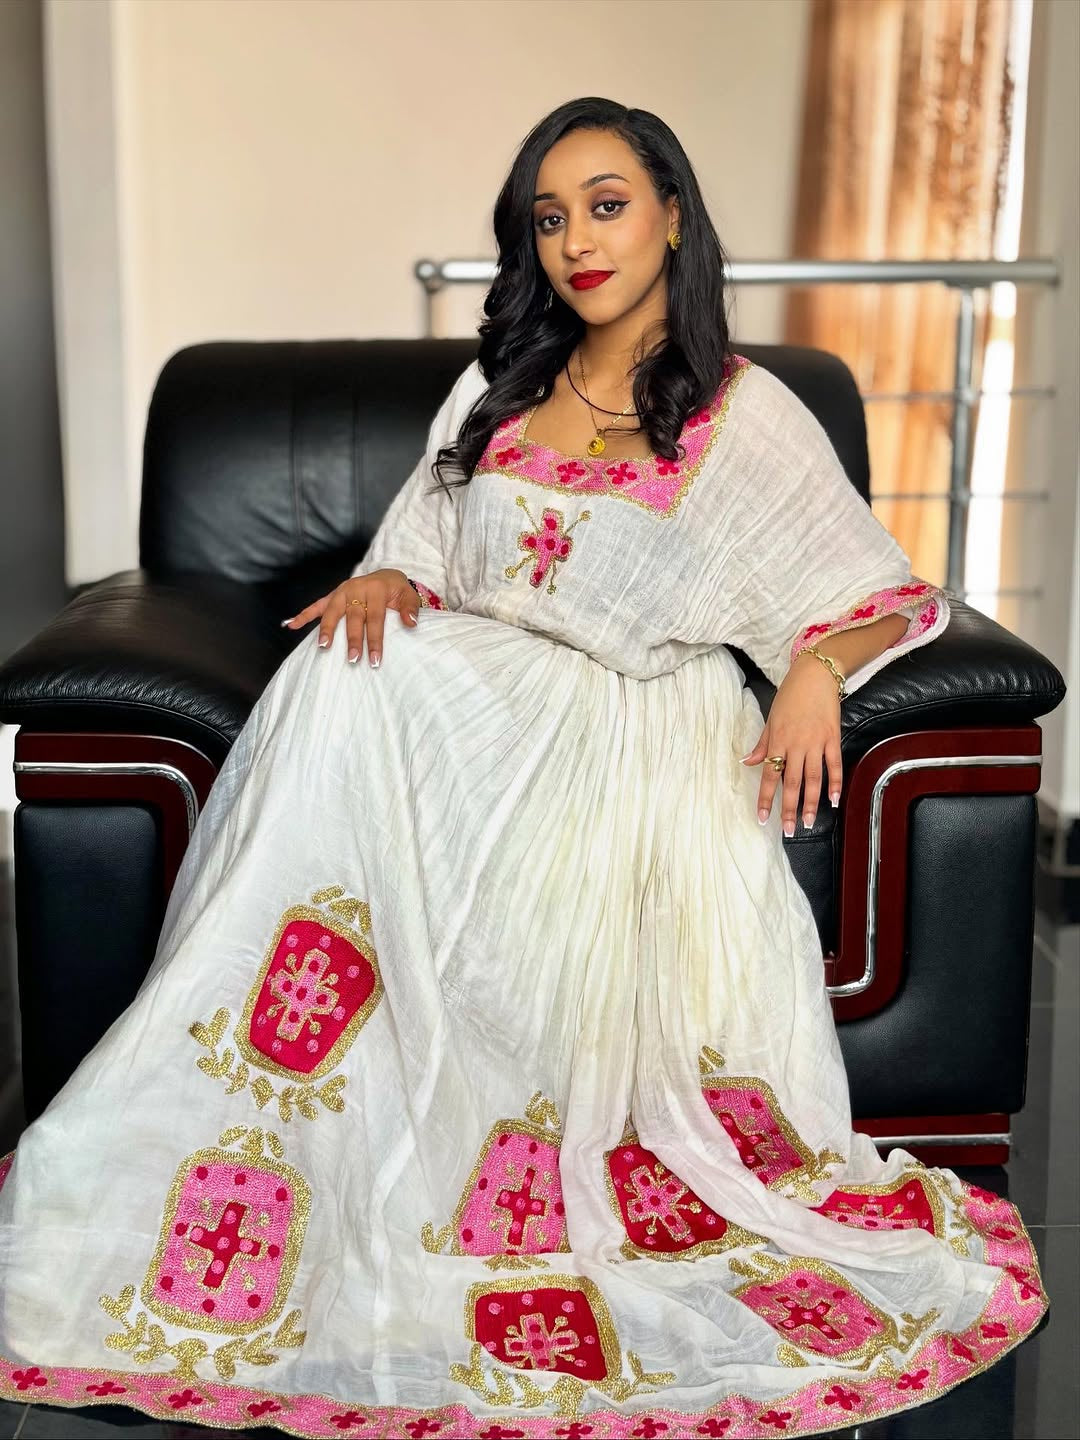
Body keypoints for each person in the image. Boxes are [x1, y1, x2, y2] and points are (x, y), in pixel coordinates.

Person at [0, 97, 1045, 1438]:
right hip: (472, 707)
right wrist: (384, 582)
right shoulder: (493, 390)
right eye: (551, 219)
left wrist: (813, 671)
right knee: (350, 663)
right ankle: (252, 1129)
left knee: (373, 679)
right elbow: (419, 556)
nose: (577, 243)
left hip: (631, 727)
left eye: (607, 206)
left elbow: (877, 592)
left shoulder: (744, 413)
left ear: (674, 216)